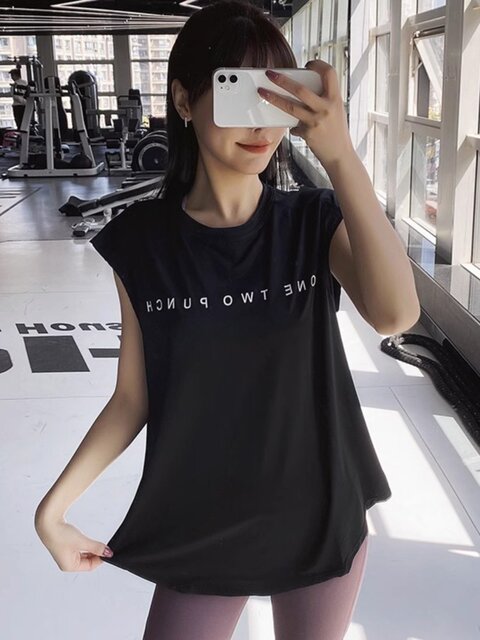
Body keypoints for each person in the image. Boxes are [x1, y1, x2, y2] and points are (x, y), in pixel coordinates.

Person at [34, 1, 420, 638]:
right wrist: (54, 508)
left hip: (319, 510)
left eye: (277, 97)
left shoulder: (311, 223)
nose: (261, 123)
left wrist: (341, 156)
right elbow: (134, 397)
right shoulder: (142, 243)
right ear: (184, 100)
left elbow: (395, 314)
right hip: (202, 518)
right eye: (239, 92)